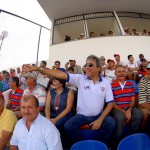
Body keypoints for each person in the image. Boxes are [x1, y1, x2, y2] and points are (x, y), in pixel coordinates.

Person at [26, 54, 116, 144]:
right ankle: (82, 144)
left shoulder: (106, 82)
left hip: (98, 115)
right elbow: (59, 74)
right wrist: (39, 69)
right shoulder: (80, 78)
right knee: (68, 126)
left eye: (90, 65)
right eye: (86, 65)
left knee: (111, 123)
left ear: (98, 68)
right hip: (82, 116)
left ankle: (100, 144)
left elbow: (110, 103)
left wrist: (100, 119)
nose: (87, 67)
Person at [111, 65, 143, 143]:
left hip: (130, 107)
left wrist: (130, 109)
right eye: (119, 72)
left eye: (123, 71)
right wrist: (124, 112)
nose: (121, 73)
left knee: (139, 115)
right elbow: (112, 102)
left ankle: (131, 137)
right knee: (120, 118)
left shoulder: (130, 84)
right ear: (115, 74)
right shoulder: (111, 86)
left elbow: (133, 98)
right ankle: (117, 141)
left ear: (126, 73)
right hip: (118, 109)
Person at [138, 63, 150, 130]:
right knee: (146, 115)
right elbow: (142, 102)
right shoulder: (143, 81)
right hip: (145, 103)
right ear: (147, 71)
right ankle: (141, 130)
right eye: (149, 70)